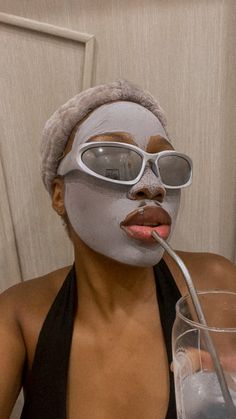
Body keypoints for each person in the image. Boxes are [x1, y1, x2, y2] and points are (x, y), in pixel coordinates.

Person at [0, 80, 235, 419]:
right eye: (114, 161)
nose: (151, 188)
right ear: (58, 194)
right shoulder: (18, 315)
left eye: (166, 167)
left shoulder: (215, 285)